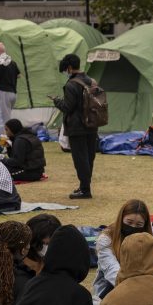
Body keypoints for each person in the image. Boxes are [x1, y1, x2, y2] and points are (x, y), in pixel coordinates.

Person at [93, 199, 153, 304]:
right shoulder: (106, 240)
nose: (133, 228)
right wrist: (138, 290)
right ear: (121, 219)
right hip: (110, 290)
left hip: (143, 288)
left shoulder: (150, 239)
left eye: (139, 225)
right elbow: (113, 272)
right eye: (129, 222)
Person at [57, 53, 98, 199]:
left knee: (80, 159)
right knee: (88, 158)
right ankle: (85, 186)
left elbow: (68, 107)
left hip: (77, 127)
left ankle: (85, 190)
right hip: (92, 124)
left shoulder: (71, 84)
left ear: (68, 67)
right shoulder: (91, 81)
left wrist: (57, 102)